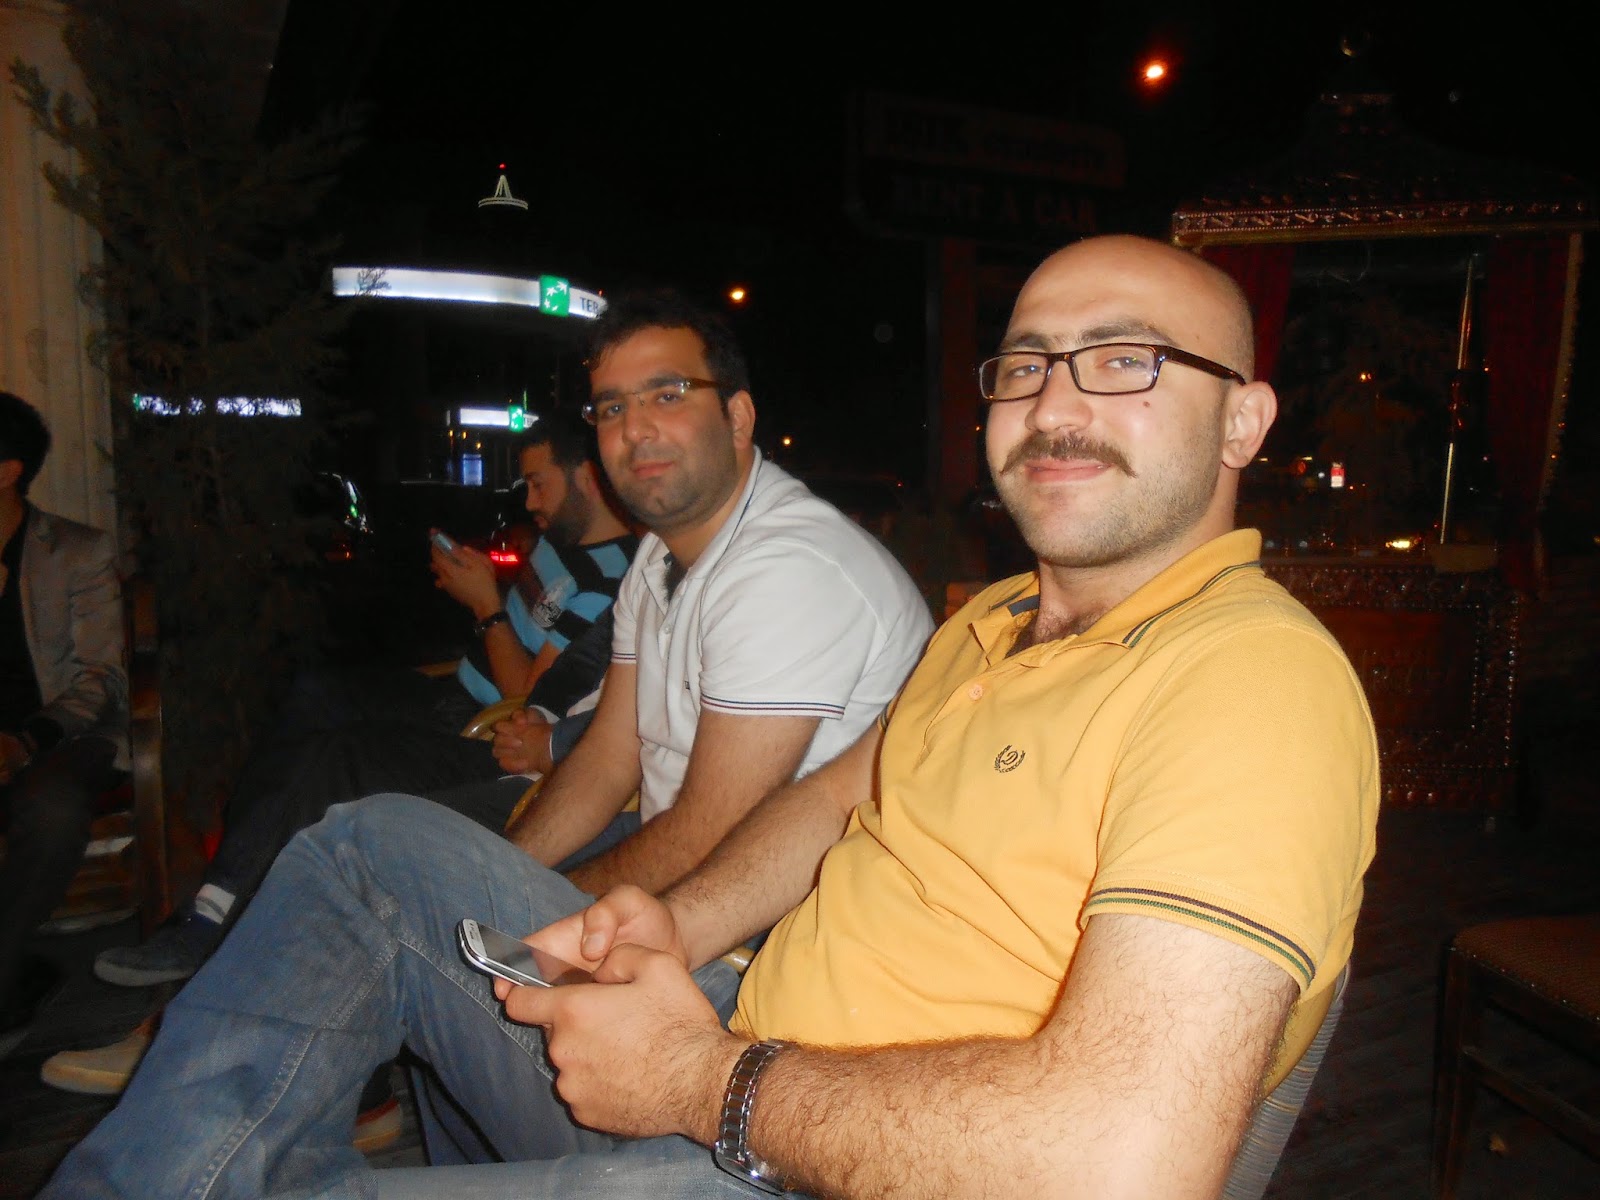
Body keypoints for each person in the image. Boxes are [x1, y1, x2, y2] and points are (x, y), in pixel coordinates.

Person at [43, 236, 1378, 1200]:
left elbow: (1127, 1158)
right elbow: (836, 800)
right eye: (1025, 366)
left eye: (1126, 361)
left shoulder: (1249, 678)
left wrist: (702, 1081)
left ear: (1243, 420)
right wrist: (669, 929)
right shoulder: (996, 618)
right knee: (367, 850)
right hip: (742, 1032)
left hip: (829, 1150)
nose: (1057, 403)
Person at [91, 408, 637, 988]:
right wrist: (489, 585)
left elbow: (528, 698)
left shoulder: (612, 581)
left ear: (587, 478)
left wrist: (484, 604)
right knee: (314, 695)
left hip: (485, 731)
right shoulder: (560, 544)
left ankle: (219, 911)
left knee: (332, 753)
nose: (528, 501)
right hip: (452, 692)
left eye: (538, 483)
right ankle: (226, 890)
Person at [0, 391, 127, 1058]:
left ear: (8, 470)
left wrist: (26, 740)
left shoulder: (76, 551)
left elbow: (100, 678)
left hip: (60, 734)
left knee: (49, 808)